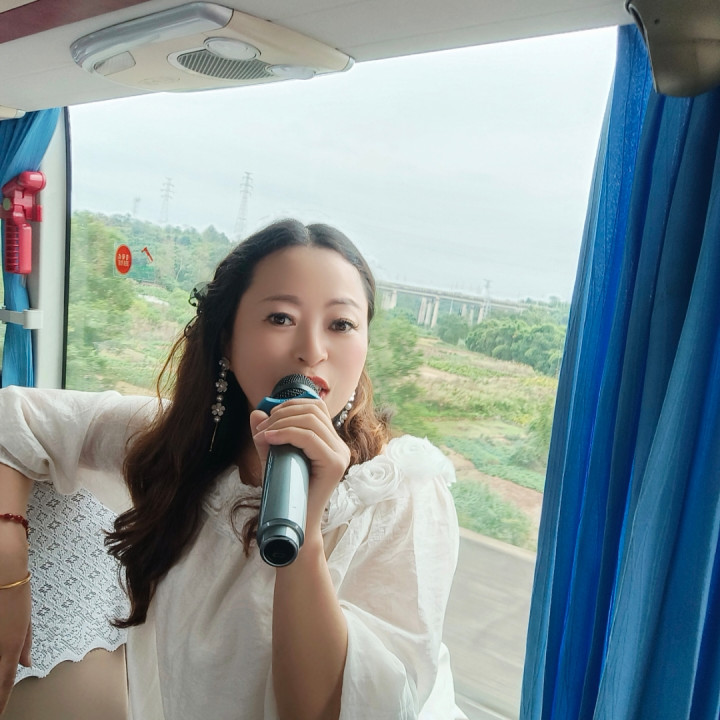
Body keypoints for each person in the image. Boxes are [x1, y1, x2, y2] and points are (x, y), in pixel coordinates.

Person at [0, 219, 465, 719]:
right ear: (227, 338)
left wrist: (305, 530)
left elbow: (324, 711)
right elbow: (15, 419)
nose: (312, 350)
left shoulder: (398, 491)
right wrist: (8, 565)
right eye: (281, 318)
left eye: (341, 324)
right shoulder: (178, 447)